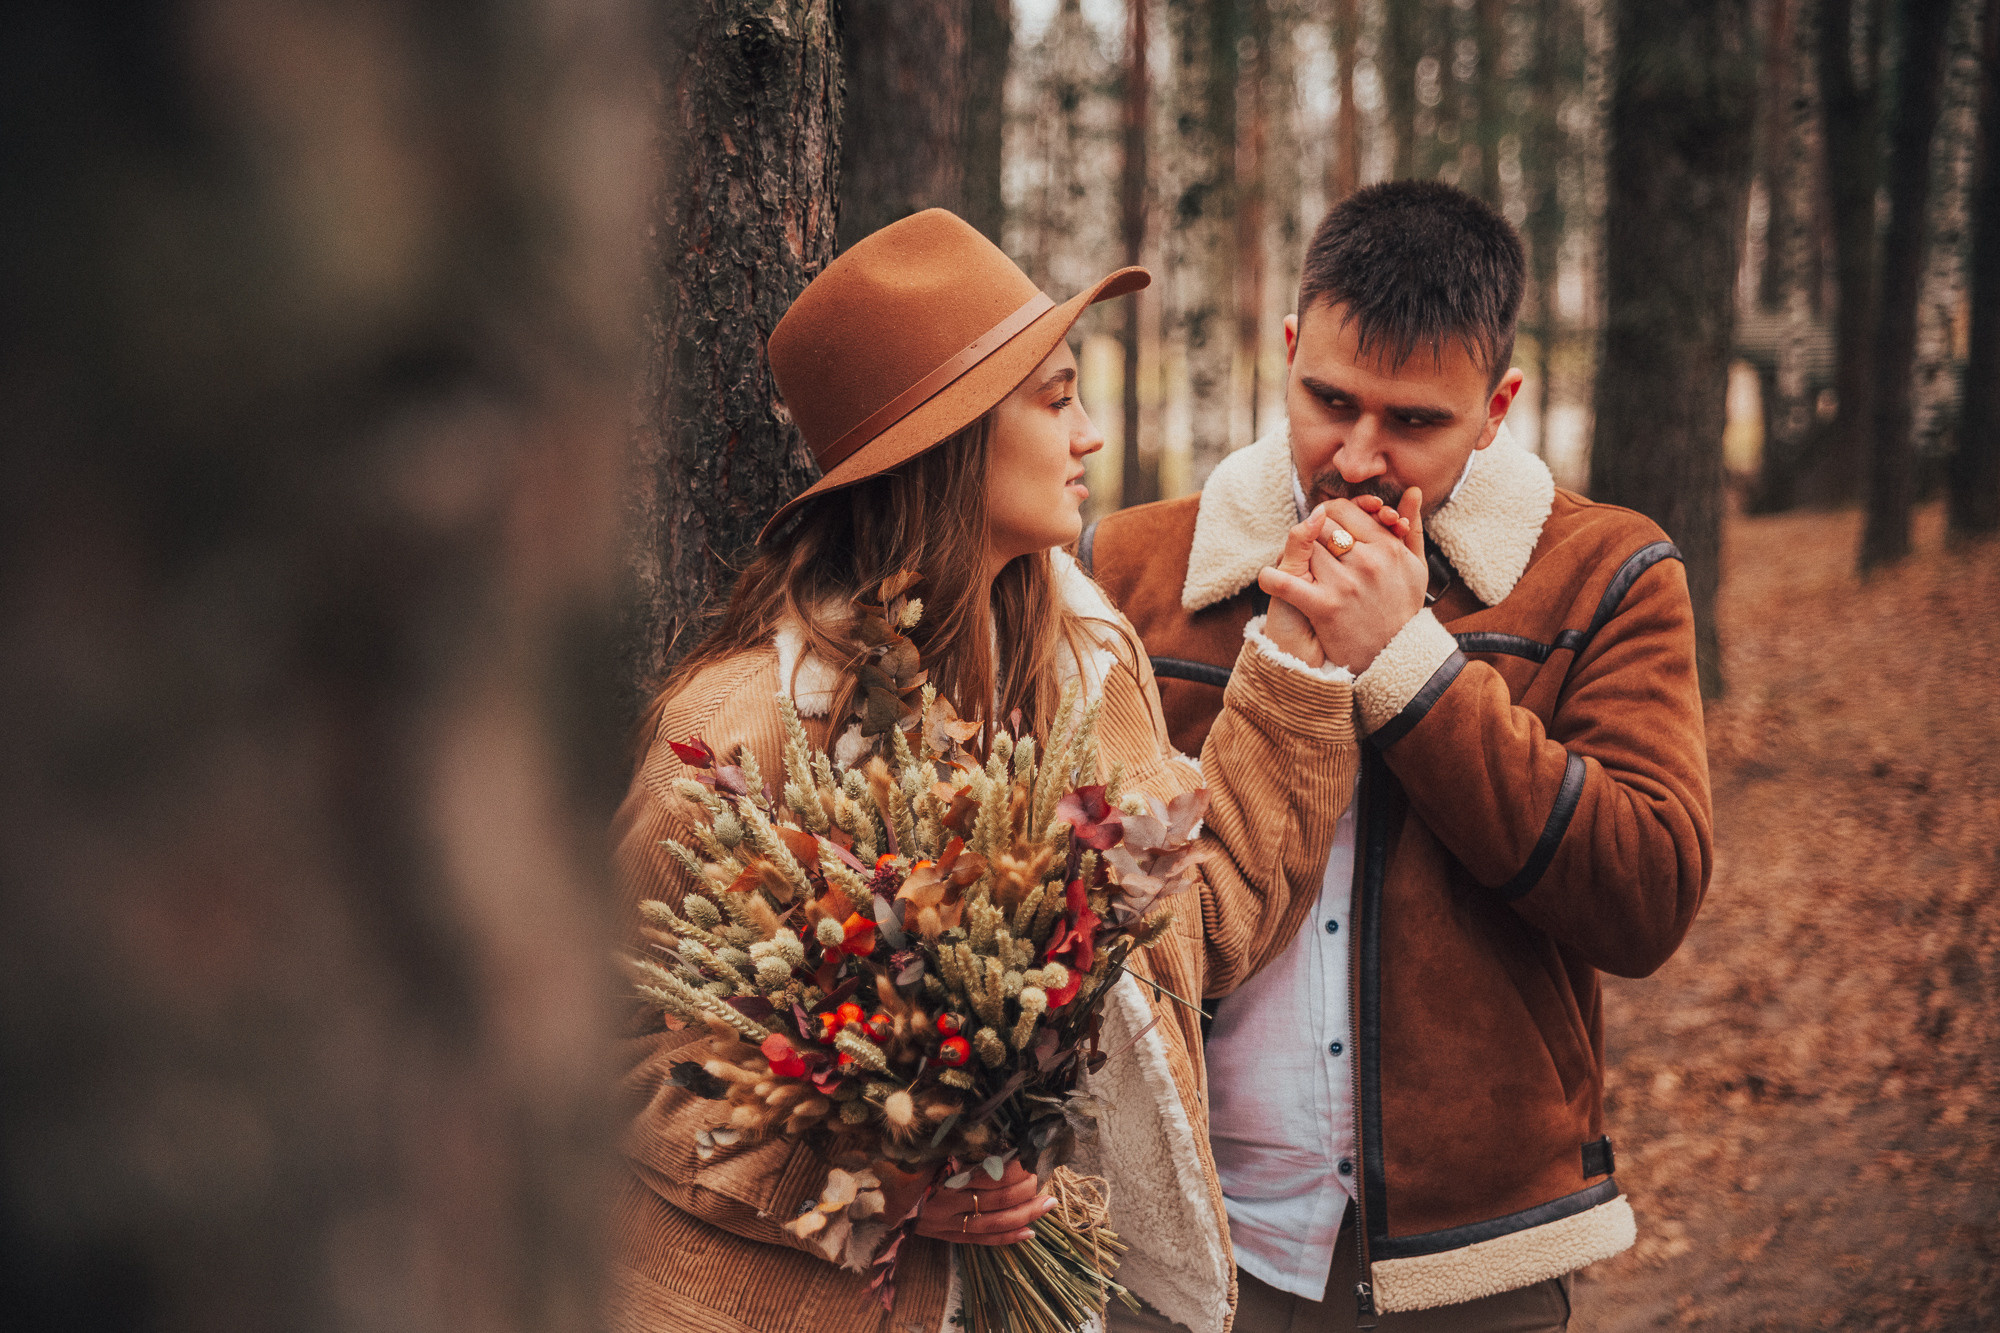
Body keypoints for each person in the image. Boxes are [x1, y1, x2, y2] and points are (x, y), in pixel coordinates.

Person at [607, 210, 1364, 1333]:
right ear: (947, 441)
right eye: (1055, 399)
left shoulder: (1086, 677)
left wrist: (1294, 675)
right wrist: (885, 1179)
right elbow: (602, 1050)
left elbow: (1184, 938)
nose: (1091, 435)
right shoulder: (734, 735)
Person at [1083, 181, 1713, 1332]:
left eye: (1414, 421)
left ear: (1495, 405)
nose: (1358, 456)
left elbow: (1647, 893)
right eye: (1329, 400)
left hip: (1468, 1263)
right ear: (1286, 350)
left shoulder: (1606, 572)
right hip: (1167, 1236)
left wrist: (1411, 667)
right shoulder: (1127, 568)